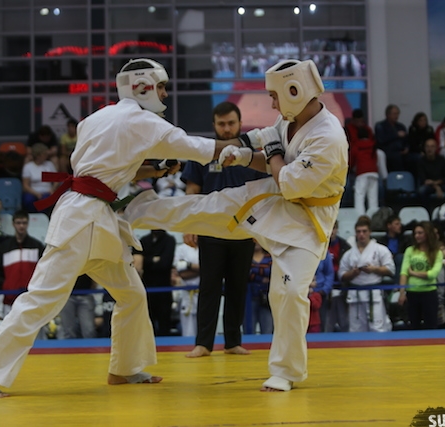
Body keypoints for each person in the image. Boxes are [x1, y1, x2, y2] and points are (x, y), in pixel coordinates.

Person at [0, 57, 240, 397]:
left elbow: (106, 170)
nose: (165, 94)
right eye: (161, 87)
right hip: (82, 218)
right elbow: (198, 148)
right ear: (142, 87)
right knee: (43, 298)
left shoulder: (94, 119)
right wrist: (249, 145)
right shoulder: (142, 121)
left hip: (96, 216)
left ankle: (126, 368)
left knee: (131, 295)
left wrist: (153, 171)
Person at [125, 58, 348, 391]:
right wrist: (244, 155)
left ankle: (286, 371)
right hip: (273, 197)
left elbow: (289, 181)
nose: (272, 103)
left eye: (274, 95)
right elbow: (269, 154)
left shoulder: (328, 137)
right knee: (207, 207)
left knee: (288, 293)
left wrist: (269, 151)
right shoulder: (290, 120)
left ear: (295, 91)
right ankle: (134, 210)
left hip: (307, 221)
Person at [180, 101, 268, 358]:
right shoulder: (203, 152)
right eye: (222, 124)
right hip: (211, 229)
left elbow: (263, 193)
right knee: (209, 286)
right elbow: (192, 190)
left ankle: (232, 341)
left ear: (240, 124)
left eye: (231, 123)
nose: (227, 129)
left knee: (237, 287)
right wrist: (189, 225)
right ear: (214, 125)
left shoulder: (252, 154)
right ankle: (203, 343)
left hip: (244, 230)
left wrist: (262, 228)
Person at [339, 216, 394, 332]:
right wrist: (353, 273)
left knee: (377, 328)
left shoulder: (380, 249)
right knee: (356, 330)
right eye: (358, 232)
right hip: (355, 295)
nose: (361, 234)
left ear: (370, 232)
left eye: (364, 231)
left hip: (374, 294)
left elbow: (391, 270)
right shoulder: (349, 253)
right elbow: (341, 275)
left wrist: (374, 269)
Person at [0, 210, 45, 321]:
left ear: (28, 223)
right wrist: (6, 287)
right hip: (10, 300)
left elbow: (44, 271)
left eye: (24, 223)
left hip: (32, 300)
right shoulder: (4, 247)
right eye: (18, 223)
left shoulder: (37, 246)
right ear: (13, 224)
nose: (21, 226)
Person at [398, 221, 443, 330]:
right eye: (415, 233)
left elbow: (432, 274)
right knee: (413, 326)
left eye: (420, 233)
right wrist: (402, 292)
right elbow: (404, 272)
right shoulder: (410, 250)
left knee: (431, 326)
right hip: (412, 293)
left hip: (429, 293)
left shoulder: (437, 252)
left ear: (427, 234)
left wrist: (413, 273)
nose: (417, 236)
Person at [133, 230, 176, 336]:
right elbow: (138, 263)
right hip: (147, 289)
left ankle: (166, 345)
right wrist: (154, 259)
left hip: (164, 290)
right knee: (147, 324)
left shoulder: (169, 240)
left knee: (164, 324)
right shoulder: (144, 240)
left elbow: (165, 263)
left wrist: (148, 260)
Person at [346, 109, 379, 215]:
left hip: (361, 172)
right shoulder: (373, 146)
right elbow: (375, 158)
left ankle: (360, 218)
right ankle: (374, 218)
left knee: (360, 195)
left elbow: (351, 160)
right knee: (373, 198)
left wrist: (349, 168)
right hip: (374, 172)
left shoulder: (356, 147)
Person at [325, 221, 351, 332]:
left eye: (333, 228)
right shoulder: (318, 245)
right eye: (329, 228)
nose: (331, 232)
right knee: (327, 324)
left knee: (344, 323)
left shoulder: (344, 246)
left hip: (342, 287)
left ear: (337, 229)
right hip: (324, 289)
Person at [416, 138, 445, 203]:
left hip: (442, 185)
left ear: (436, 148)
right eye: (427, 146)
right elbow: (424, 180)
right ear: (424, 148)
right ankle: (427, 209)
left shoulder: (442, 160)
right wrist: (437, 187)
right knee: (421, 191)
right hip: (429, 186)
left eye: (432, 146)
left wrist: (436, 183)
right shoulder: (421, 161)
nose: (429, 149)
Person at [172, 242, 200, 337]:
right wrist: (203, 270)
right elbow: (182, 274)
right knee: (188, 332)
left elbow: (213, 269)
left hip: (204, 294)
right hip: (187, 294)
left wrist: (188, 265)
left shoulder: (209, 247)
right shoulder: (182, 249)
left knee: (207, 331)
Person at [22, 143, 59, 213]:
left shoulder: (49, 164)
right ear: (38, 155)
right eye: (44, 154)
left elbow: (56, 180)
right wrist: (36, 193)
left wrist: (53, 189)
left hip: (47, 191)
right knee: (28, 200)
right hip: (33, 192)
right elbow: (25, 185)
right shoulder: (28, 167)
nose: (46, 155)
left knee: (46, 200)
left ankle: (43, 217)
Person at [247, 240, 273, 334]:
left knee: (267, 330)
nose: (256, 242)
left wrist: (254, 271)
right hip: (249, 298)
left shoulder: (270, 257)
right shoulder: (246, 257)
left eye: (258, 239)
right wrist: (262, 277)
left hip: (266, 298)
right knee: (249, 330)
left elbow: (273, 273)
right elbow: (245, 273)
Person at [59, 274, 97, 339]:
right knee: (68, 330)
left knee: (89, 330)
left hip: (86, 293)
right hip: (67, 295)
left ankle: (91, 346)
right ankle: (69, 345)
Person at [374, 104, 407, 172]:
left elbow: (407, 139)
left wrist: (407, 148)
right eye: (394, 114)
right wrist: (396, 135)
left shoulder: (401, 126)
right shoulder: (380, 126)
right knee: (396, 157)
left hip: (401, 152)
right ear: (388, 115)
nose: (396, 116)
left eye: (397, 114)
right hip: (388, 151)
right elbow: (381, 139)